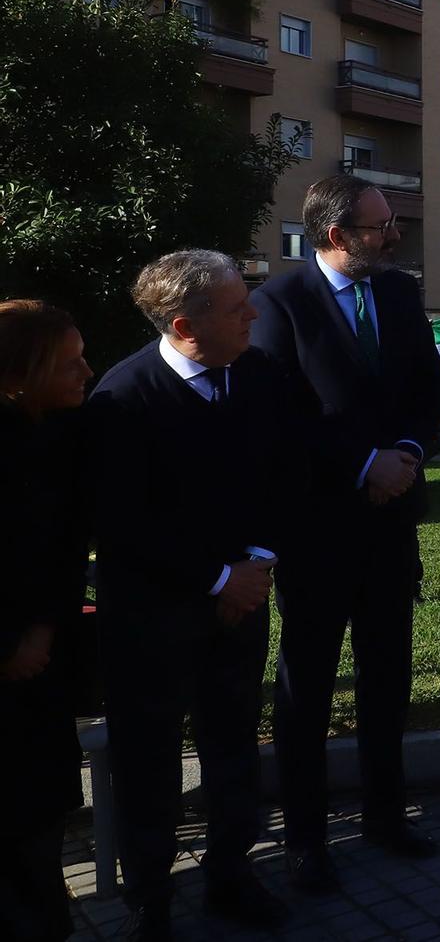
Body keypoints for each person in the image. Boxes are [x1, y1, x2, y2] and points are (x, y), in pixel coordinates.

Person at [88, 252, 301, 938]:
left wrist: (257, 566)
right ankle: (150, 899)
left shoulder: (260, 376)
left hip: (240, 604)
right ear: (184, 325)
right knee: (148, 758)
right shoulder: (123, 398)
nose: (255, 314)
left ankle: (231, 877)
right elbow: (123, 524)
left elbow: (281, 477)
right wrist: (217, 578)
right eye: (238, 307)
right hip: (153, 618)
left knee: (234, 742)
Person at [251, 174, 440, 890]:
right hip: (318, 530)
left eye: (392, 222)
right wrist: (362, 462)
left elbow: (431, 389)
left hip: (392, 523)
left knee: (386, 674)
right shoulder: (278, 304)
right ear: (336, 237)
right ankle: (307, 837)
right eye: (379, 227)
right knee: (306, 687)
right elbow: (279, 417)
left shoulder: (398, 293)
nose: (394, 236)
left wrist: (408, 454)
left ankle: (386, 815)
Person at [0, 301, 92, 942]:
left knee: (39, 828)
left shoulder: (55, 432)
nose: (87, 372)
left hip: (38, 673)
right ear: (20, 372)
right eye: (69, 363)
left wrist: (45, 629)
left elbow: (60, 552)